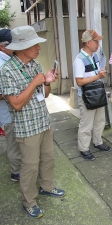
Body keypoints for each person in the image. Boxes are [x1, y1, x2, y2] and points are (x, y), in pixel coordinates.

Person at [0, 26, 65, 218]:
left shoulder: (35, 65)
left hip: (42, 121)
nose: (38, 48)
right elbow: (16, 104)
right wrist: (34, 83)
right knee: (29, 166)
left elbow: (44, 95)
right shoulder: (7, 70)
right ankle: (28, 201)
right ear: (21, 47)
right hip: (26, 127)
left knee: (48, 158)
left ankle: (47, 186)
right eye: (34, 44)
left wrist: (47, 82)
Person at [73, 30, 111, 161]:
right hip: (87, 95)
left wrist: (99, 73)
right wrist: (98, 76)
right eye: (96, 41)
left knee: (100, 120)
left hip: (96, 92)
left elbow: (92, 74)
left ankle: (98, 142)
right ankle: (84, 149)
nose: (98, 44)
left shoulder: (94, 56)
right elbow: (79, 81)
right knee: (86, 124)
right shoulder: (79, 59)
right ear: (88, 43)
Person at [0, 29, 22, 182]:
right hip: (7, 113)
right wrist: (14, 93)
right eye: (12, 44)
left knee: (19, 142)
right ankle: (16, 173)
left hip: (18, 110)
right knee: (13, 143)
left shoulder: (11, 59)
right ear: (2, 46)